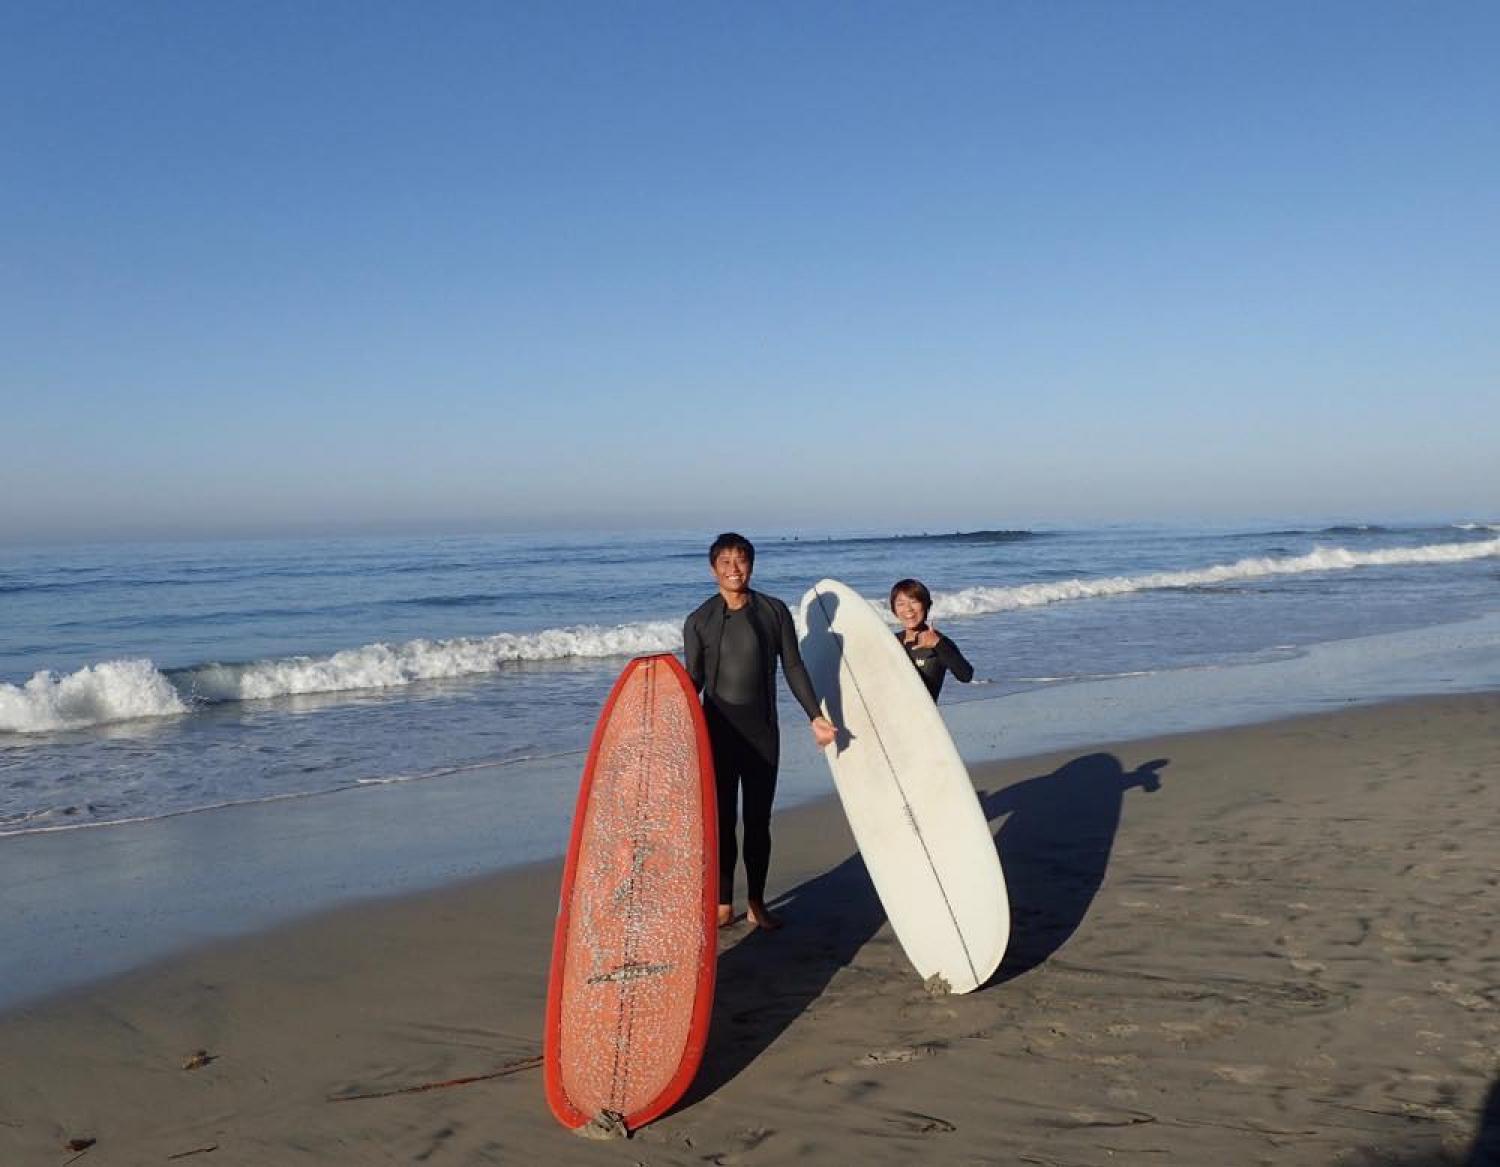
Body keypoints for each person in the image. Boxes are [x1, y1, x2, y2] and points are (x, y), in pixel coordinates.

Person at [684, 533, 837, 931]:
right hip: (717, 733)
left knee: (757, 820)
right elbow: (693, 681)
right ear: (713, 567)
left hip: (762, 732)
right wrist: (675, 729)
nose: (734, 569)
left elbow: (794, 667)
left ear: (751, 565)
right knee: (720, 822)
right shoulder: (699, 620)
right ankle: (721, 903)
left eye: (741, 560)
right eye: (726, 562)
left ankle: (755, 901)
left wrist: (814, 715)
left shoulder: (773, 611)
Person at [889, 578, 974, 700]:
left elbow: (966, 675)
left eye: (914, 601)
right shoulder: (891, 641)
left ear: (927, 605)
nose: (908, 609)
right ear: (894, 610)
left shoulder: (939, 642)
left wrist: (938, 644)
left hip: (922, 717)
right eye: (900, 604)